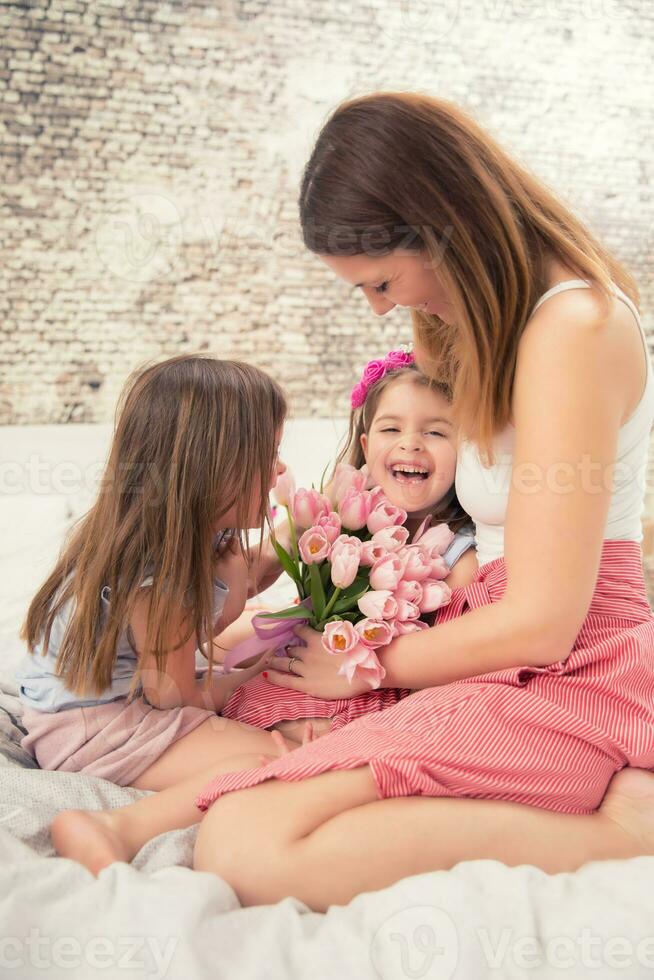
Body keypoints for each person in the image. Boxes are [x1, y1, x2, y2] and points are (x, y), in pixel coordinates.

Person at [51, 93, 654, 910]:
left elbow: (546, 620)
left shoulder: (572, 331)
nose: (380, 309)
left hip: (571, 664)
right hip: (492, 645)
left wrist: (363, 667)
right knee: (241, 825)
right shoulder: (509, 330)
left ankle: (620, 837)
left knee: (252, 850)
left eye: (380, 280)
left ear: (444, 224)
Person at [16, 354, 305, 792]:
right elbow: (175, 697)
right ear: (210, 470)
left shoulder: (185, 532)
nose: (279, 469)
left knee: (257, 615)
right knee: (277, 759)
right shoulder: (159, 583)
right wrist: (258, 676)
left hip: (132, 687)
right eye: (269, 454)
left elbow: (251, 567)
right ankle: (114, 830)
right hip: (98, 728)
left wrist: (313, 519)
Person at [218, 348, 478, 740]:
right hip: (306, 656)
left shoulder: (459, 556)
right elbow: (260, 567)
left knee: (310, 735)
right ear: (366, 443)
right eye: (391, 430)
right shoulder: (343, 507)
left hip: (375, 689)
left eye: (436, 432)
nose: (410, 444)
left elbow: (452, 658)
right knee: (231, 664)